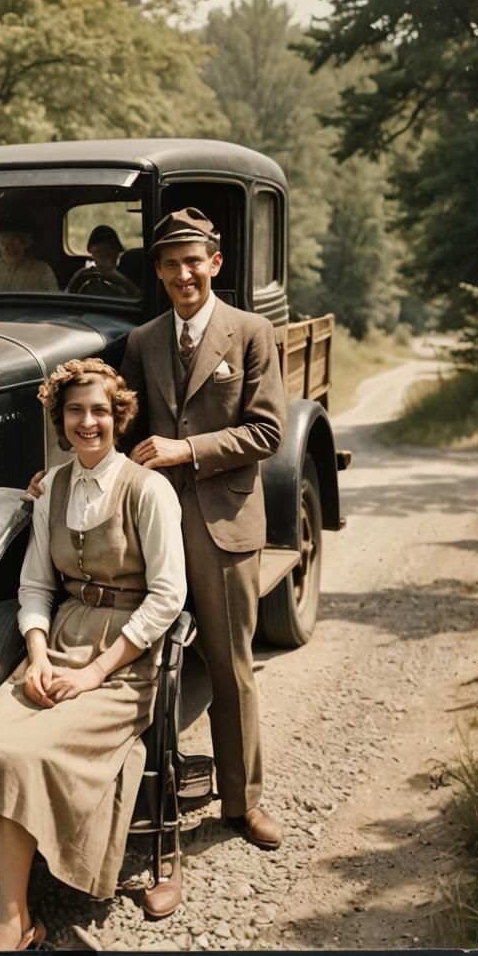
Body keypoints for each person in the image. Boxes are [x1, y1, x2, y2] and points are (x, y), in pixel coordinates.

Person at [0, 358, 187, 950]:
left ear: (119, 417)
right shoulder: (52, 487)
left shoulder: (149, 490)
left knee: (28, 757)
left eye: (100, 411)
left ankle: (11, 926)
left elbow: (169, 596)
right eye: (75, 411)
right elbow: (34, 586)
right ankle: (19, 915)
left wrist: (95, 673)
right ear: (61, 419)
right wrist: (39, 653)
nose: (89, 422)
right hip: (57, 644)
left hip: (125, 660)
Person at [121, 207, 287, 852]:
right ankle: (144, 800)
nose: (183, 274)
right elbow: (124, 427)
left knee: (229, 666)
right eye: (170, 264)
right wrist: (56, 475)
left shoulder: (251, 332)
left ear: (215, 264)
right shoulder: (143, 341)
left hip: (223, 524)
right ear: (158, 273)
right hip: (155, 526)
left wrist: (186, 451)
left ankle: (243, 804)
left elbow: (267, 431)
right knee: (147, 661)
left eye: (194, 261)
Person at [0, 212, 58, 292]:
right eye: (2, 241)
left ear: (26, 242)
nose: (5, 247)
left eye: (12, 241)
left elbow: (53, 302)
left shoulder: (43, 270)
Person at [66, 224, 139, 296]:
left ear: (117, 252)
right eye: (97, 252)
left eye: (107, 253)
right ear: (91, 253)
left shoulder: (129, 273)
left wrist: (116, 276)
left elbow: (138, 296)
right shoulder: (84, 274)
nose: (102, 257)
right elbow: (67, 295)